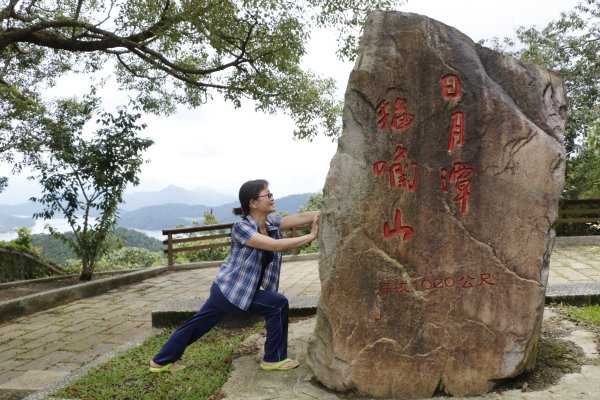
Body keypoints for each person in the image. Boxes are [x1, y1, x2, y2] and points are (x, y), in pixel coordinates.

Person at [149, 179, 320, 373]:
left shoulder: (270, 223)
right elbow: (275, 246)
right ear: (253, 203)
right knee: (277, 303)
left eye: (271, 194)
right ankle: (273, 358)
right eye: (268, 195)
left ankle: (160, 361)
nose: (272, 198)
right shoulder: (242, 228)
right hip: (231, 290)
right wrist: (311, 236)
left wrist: (322, 213)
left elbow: (299, 217)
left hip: (230, 289)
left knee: (198, 324)